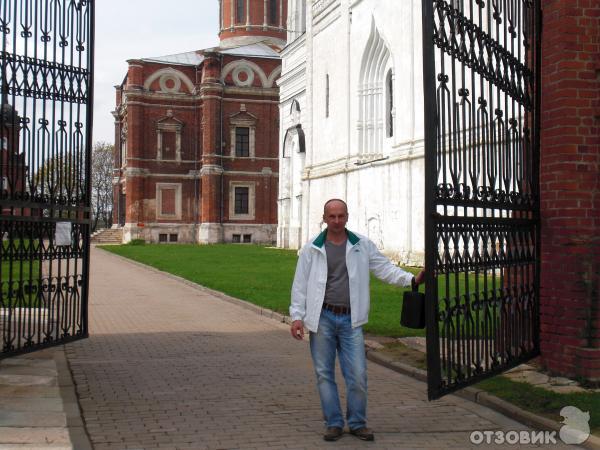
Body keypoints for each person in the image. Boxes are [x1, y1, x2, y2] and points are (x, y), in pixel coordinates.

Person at [290, 199, 425, 442]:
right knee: (324, 373)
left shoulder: (361, 245)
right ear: (324, 218)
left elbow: (384, 269)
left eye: (341, 216)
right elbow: (300, 284)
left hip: (351, 319)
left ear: (347, 217)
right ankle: (333, 423)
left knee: (358, 375)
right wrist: (297, 316)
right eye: (332, 216)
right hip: (322, 319)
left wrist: (412, 280)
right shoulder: (312, 248)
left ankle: (357, 423)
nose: (337, 221)